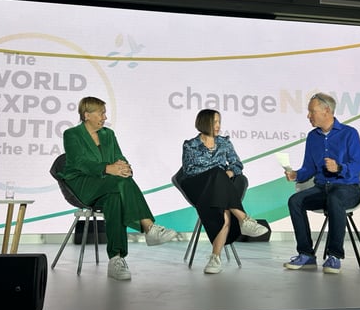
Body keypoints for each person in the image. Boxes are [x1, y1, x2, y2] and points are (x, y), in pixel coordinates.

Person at [58, 96, 177, 281]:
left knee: (115, 198)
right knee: (119, 183)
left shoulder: (108, 134)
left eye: (105, 113)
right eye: (101, 113)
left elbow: (119, 157)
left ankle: (116, 259)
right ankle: (149, 228)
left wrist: (125, 168)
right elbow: (78, 163)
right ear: (86, 115)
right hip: (83, 186)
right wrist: (108, 168)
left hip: (108, 186)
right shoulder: (72, 134)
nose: (104, 117)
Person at [180, 109, 268, 274]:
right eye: (214, 122)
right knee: (217, 174)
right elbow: (189, 171)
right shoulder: (190, 145)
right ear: (204, 123)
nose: (218, 125)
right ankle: (243, 219)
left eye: (219, 122)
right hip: (199, 187)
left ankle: (215, 257)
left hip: (220, 190)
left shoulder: (224, 143)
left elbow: (237, 164)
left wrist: (229, 173)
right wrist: (216, 174)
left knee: (225, 205)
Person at [284, 93, 360, 274]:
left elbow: (358, 164)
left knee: (335, 199)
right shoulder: (312, 137)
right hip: (321, 188)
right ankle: (306, 254)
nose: (308, 116)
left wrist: (339, 168)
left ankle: (334, 256)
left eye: (312, 111)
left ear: (326, 110)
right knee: (295, 201)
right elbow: (309, 168)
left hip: (347, 188)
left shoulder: (349, 133)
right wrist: (296, 175)